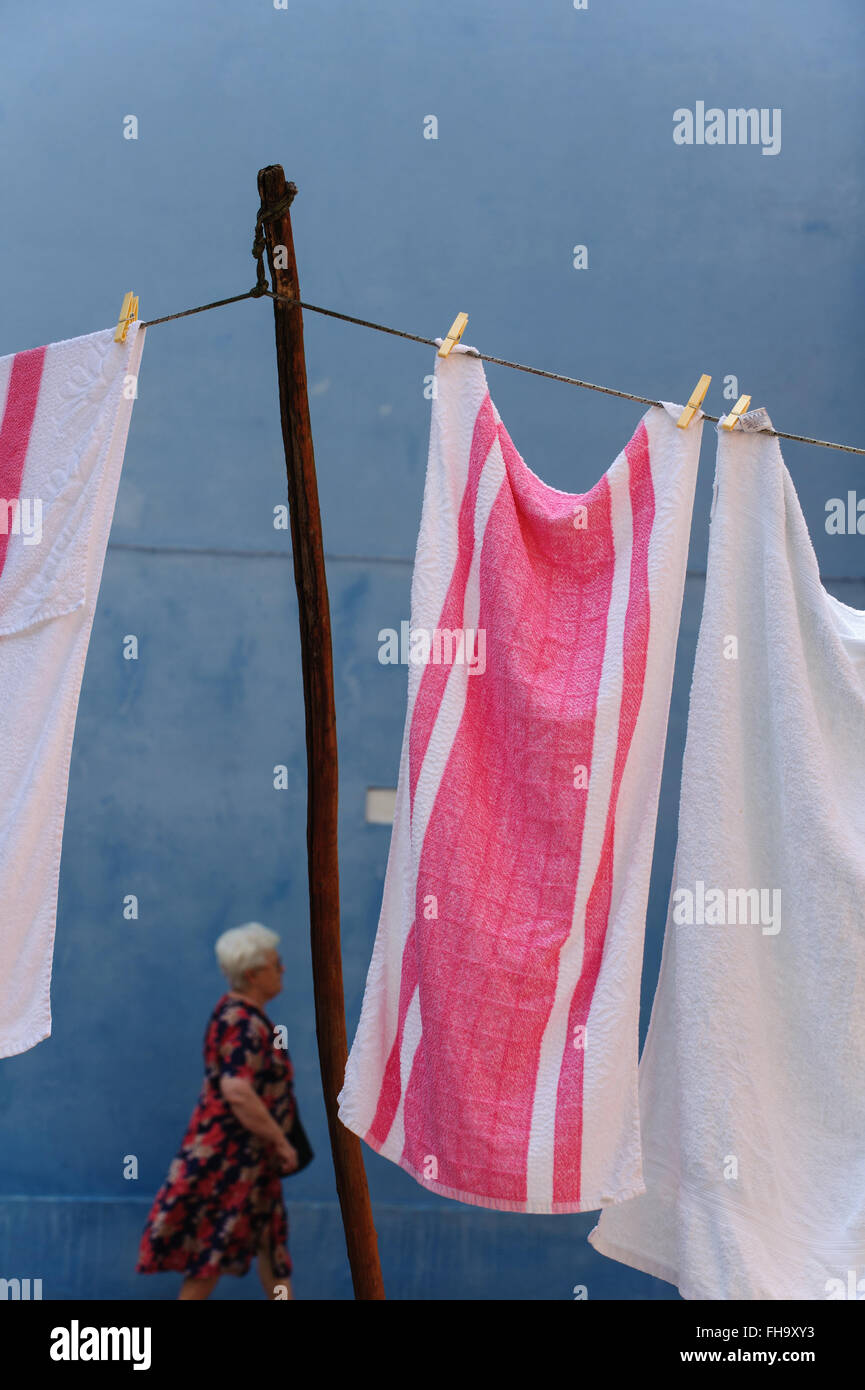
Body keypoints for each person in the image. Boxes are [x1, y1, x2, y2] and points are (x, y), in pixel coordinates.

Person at [137, 922, 301, 1299]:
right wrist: (280, 1140)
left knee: (271, 1246)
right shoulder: (240, 1021)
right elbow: (237, 1090)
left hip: (252, 1160)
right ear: (253, 974)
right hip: (229, 1159)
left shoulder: (247, 1018)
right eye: (275, 963)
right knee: (209, 1252)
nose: (283, 969)